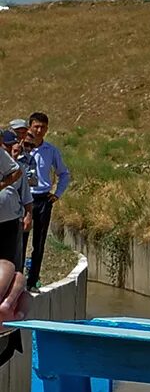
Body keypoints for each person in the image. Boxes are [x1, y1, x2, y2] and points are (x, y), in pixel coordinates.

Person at [24, 110, 69, 291]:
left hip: (42, 199)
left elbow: (64, 173)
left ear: (47, 129)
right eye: (36, 126)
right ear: (30, 127)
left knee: (39, 243)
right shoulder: (21, 149)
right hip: (24, 199)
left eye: (43, 127)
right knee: (20, 241)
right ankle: (15, 281)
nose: (39, 130)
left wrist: (57, 193)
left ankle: (33, 280)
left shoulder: (50, 151)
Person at [0, 131, 31, 272]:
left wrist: (28, 214)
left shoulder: (3, 158)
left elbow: (17, 173)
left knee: (11, 264)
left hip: (10, 220)